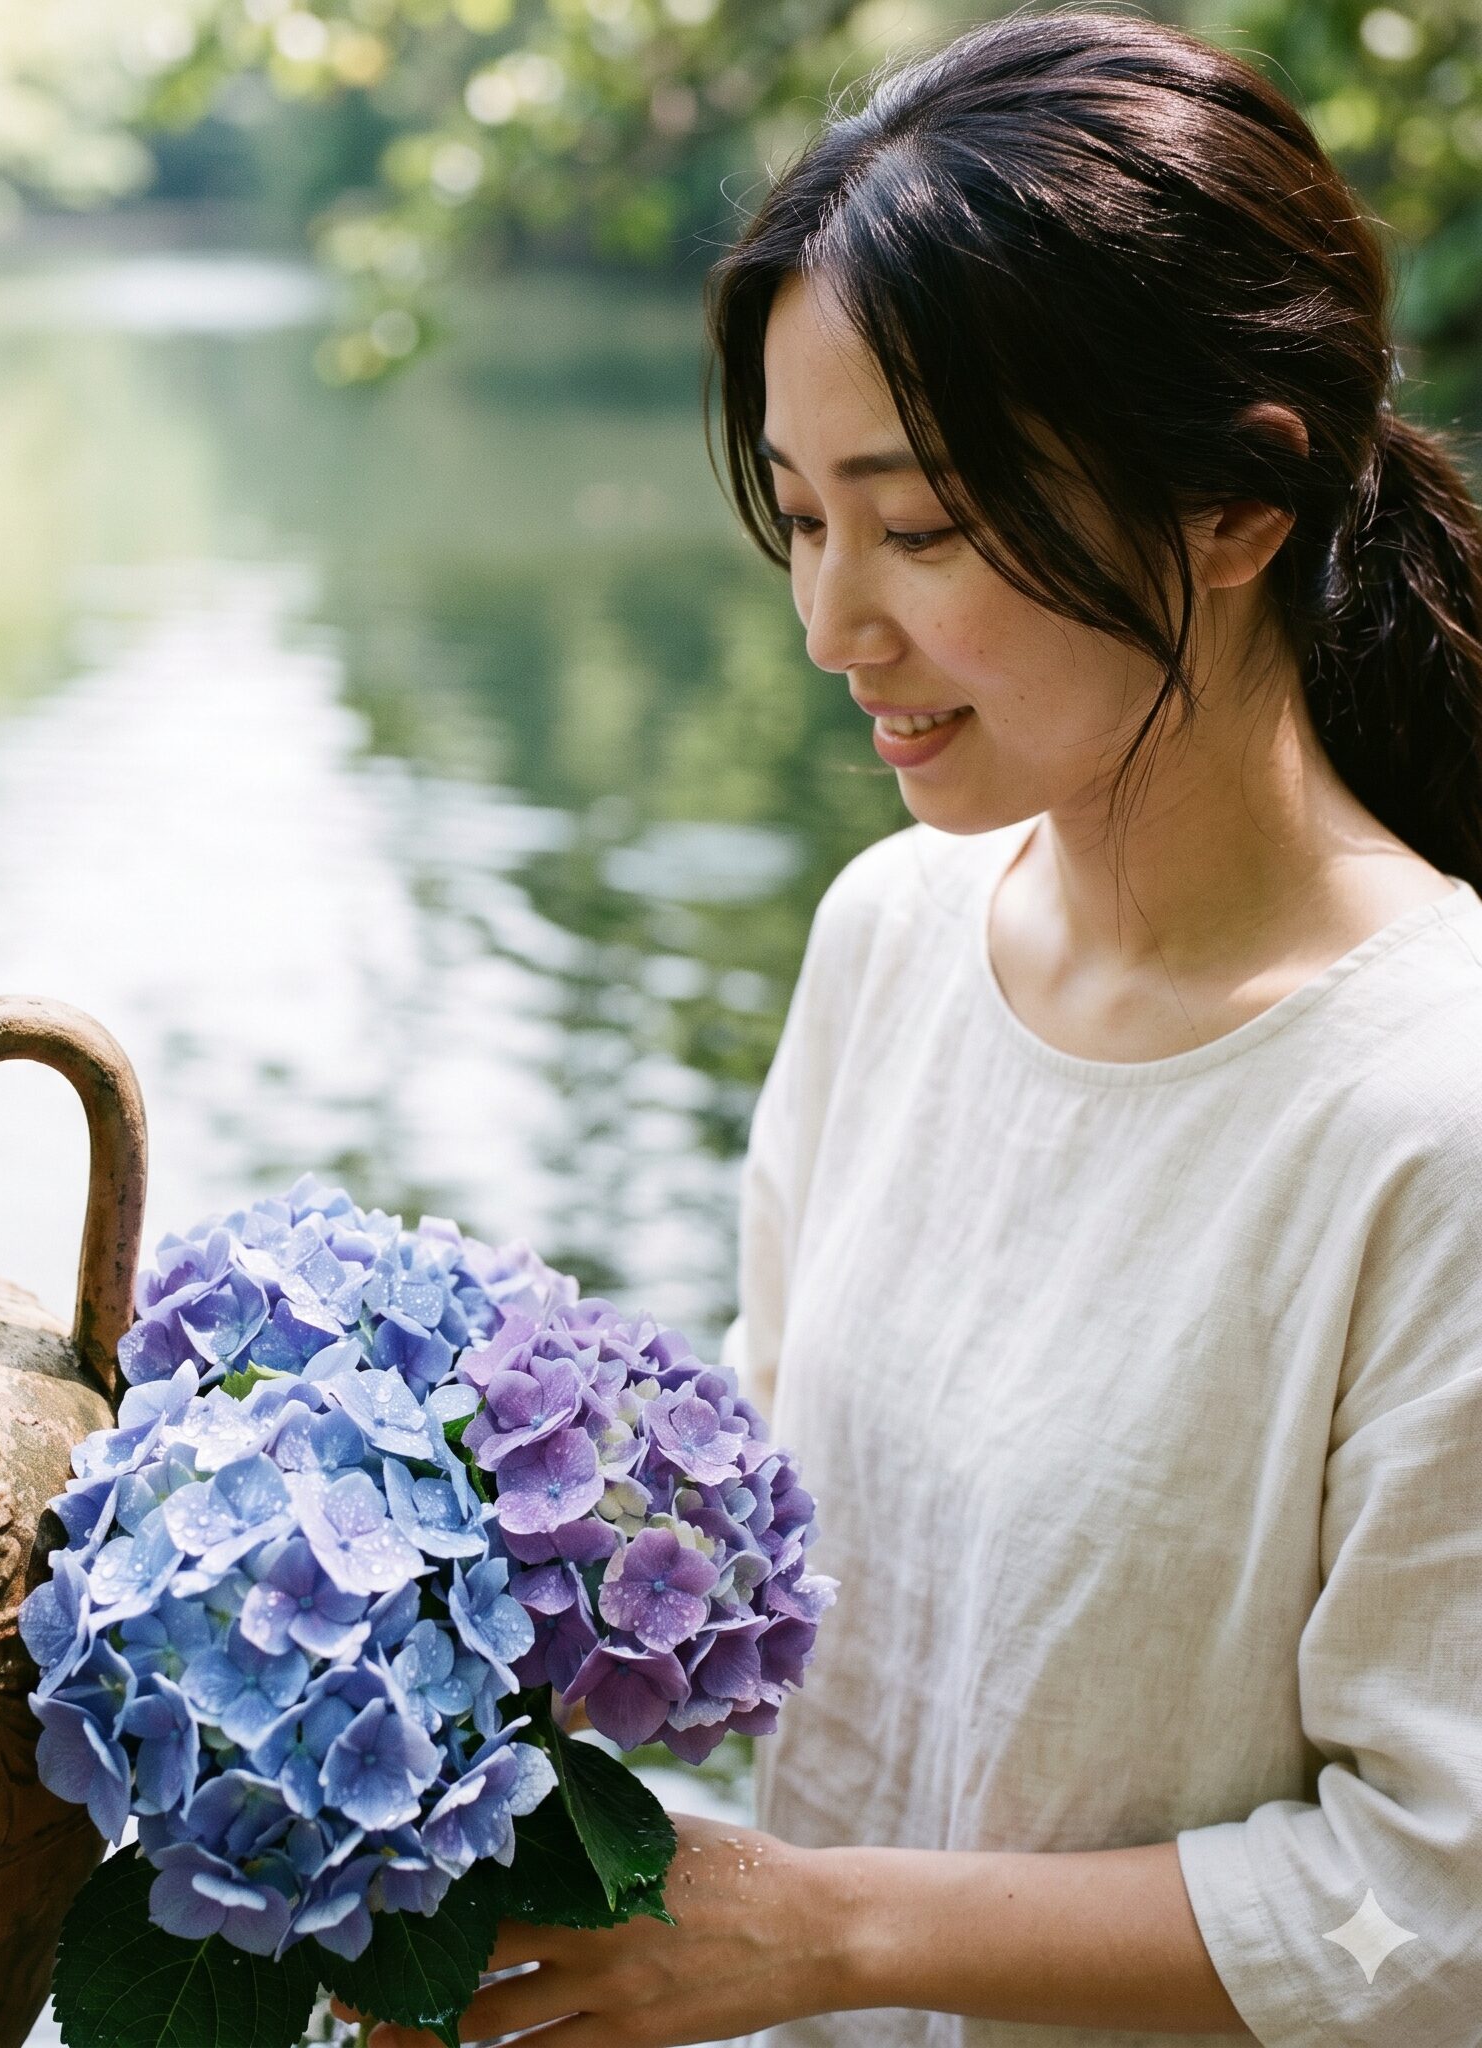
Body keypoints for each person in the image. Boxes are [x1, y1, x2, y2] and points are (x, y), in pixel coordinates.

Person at [353, 9, 1482, 2045]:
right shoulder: (890, 935)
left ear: (1239, 498)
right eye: (797, 512)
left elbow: (1440, 1902)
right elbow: (781, 1615)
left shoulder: (1432, 1110)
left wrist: (827, 1930)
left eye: (924, 523)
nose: (829, 620)